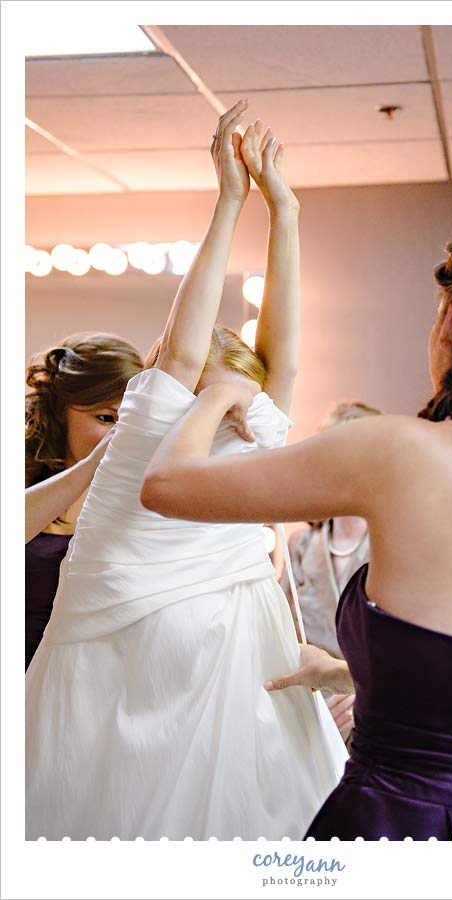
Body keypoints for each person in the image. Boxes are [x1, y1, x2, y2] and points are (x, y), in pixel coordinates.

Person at [142, 215, 452, 841]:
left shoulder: (400, 450)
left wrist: (220, 392)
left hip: (407, 819)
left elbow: (165, 486)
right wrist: (349, 672)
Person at [26, 101, 347, 841]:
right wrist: (278, 209)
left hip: (198, 652)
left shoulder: (169, 426)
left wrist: (245, 200)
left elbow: (225, 354)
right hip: (194, 649)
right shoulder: (241, 423)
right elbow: (273, 356)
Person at [25, 334, 143, 668]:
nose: (120, 437)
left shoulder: (142, 498)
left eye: (131, 423)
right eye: (106, 419)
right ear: (62, 412)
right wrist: (89, 468)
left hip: (91, 687)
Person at [280, 401, 382, 742]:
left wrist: (360, 700)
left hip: (377, 716)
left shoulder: (396, 548)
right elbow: (282, 634)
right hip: (308, 714)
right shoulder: (300, 546)